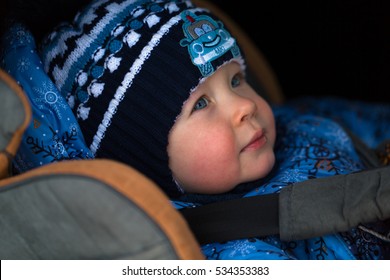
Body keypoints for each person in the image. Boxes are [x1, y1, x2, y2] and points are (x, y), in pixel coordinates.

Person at [2, 0, 390, 259]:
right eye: (201, 103)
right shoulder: (229, 253)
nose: (246, 106)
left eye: (236, 80)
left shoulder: (298, 123)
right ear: (145, 162)